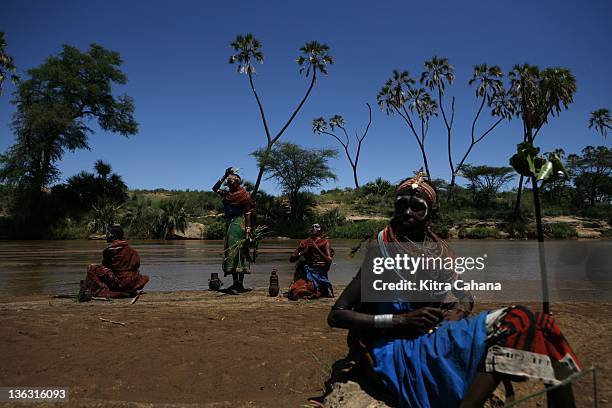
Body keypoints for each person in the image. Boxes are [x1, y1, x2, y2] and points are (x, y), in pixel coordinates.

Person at [326, 172, 581, 408]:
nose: (407, 212)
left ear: (431, 215)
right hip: (396, 348)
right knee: (520, 320)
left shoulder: (440, 252)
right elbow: (337, 315)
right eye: (401, 204)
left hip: (434, 335)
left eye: (417, 207)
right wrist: (399, 319)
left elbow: (466, 295)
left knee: (542, 325)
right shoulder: (381, 253)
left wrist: (458, 311)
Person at [212, 167, 254, 294]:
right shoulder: (227, 194)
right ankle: (235, 282)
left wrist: (247, 232)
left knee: (239, 252)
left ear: (237, 183)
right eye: (228, 183)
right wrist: (224, 176)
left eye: (231, 182)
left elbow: (247, 214)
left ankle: (240, 283)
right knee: (231, 251)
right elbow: (214, 189)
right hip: (230, 224)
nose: (228, 184)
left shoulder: (244, 195)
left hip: (239, 224)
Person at [83, 224, 149, 299]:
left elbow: (105, 265)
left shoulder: (111, 249)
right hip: (133, 281)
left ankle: (102, 291)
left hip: (121, 281)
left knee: (92, 268)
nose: (106, 236)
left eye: (108, 234)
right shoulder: (132, 251)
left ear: (112, 236)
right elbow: (136, 265)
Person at [288, 223, 334, 300]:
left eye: (316, 228)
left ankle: (320, 289)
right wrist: (303, 252)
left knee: (306, 289)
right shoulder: (305, 242)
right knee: (294, 290)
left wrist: (317, 249)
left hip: (319, 272)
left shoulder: (325, 242)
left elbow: (329, 260)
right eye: (312, 228)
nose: (313, 229)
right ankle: (317, 290)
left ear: (320, 231)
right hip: (307, 272)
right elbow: (291, 259)